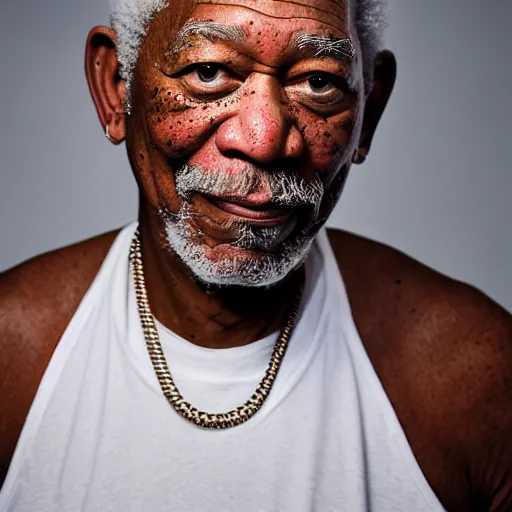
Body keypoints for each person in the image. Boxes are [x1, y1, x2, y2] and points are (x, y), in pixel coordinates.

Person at [0, 0, 510, 510]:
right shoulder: (13, 358)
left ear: (368, 112)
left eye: (318, 83)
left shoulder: (476, 377)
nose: (264, 141)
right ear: (116, 87)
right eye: (208, 71)